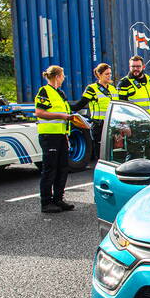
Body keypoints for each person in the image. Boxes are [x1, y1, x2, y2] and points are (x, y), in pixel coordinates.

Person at [34, 65, 74, 214]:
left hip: (61, 135)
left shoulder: (60, 93)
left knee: (63, 168)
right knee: (50, 169)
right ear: (57, 76)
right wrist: (61, 116)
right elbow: (39, 112)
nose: (63, 78)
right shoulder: (44, 91)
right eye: (62, 76)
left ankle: (58, 199)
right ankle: (46, 202)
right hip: (49, 136)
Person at [75, 63, 118, 161]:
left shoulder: (113, 89)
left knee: (111, 155)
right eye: (106, 74)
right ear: (99, 75)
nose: (109, 76)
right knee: (100, 155)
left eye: (110, 73)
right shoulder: (92, 88)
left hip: (111, 125)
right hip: (99, 125)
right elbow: (80, 104)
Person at [118, 55, 150, 129]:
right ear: (129, 67)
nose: (135, 69)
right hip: (137, 123)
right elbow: (121, 107)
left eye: (138, 66)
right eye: (133, 66)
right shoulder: (124, 83)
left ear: (143, 67)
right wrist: (124, 126)